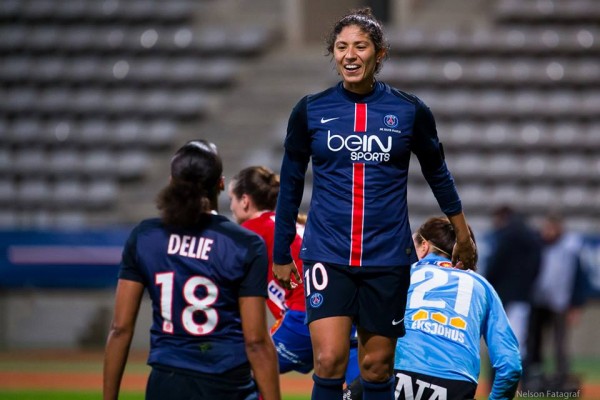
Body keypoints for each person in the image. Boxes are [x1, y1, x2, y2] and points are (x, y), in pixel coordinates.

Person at [272, 8, 477, 400]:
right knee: (330, 359)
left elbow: (439, 173)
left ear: (379, 54)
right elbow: (291, 185)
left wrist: (462, 233)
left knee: (376, 367)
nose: (349, 55)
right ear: (332, 54)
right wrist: (282, 251)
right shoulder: (310, 110)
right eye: (341, 47)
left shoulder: (409, 110)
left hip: (387, 257)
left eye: (360, 46)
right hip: (327, 252)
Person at [103, 140, 281, 400]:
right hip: (227, 383)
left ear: (172, 182)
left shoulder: (145, 237)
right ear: (220, 184)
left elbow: (120, 329)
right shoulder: (244, 244)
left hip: (167, 382)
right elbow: (255, 341)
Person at [345, 217, 522, 400]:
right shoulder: (483, 287)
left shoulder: (403, 274)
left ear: (424, 246)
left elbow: (363, 334)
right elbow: (511, 366)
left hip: (397, 373)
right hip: (456, 385)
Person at [228, 165, 360, 384]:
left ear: (244, 200)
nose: (231, 207)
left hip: (303, 319)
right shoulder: (294, 224)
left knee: (240, 369)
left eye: (232, 198)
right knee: (356, 388)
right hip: (342, 316)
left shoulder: (253, 230)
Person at [525, 212, 588, 392]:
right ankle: (535, 376)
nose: (549, 232)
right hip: (538, 301)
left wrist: (576, 305)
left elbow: (579, 278)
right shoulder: (537, 246)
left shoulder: (570, 249)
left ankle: (562, 377)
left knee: (560, 342)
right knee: (535, 341)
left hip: (560, 303)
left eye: (552, 228)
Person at [485, 205, 541, 362]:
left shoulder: (504, 236)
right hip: (523, 295)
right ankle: (521, 378)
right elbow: (537, 266)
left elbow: (494, 265)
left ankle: (498, 377)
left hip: (501, 295)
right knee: (519, 339)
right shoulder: (531, 236)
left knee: (499, 337)